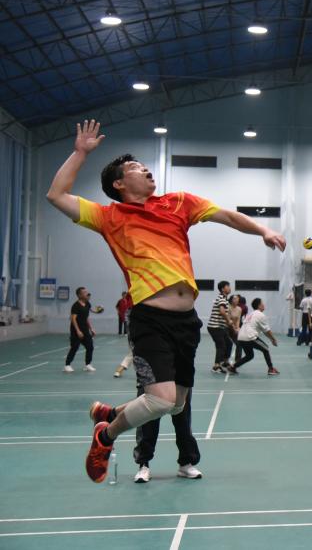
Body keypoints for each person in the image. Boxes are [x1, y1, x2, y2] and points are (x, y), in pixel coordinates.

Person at [46, 119, 285, 482]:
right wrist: (80, 153)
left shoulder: (179, 203)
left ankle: (112, 413)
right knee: (159, 400)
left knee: (176, 404)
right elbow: (57, 195)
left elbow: (226, 215)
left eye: (144, 165)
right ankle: (105, 435)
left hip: (186, 321)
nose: (145, 169)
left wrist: (263, 229)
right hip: (150, 319)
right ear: (119, 184)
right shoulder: (109, 217)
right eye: (134, 167)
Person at [133, 383, 202, 482]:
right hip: (153, 378)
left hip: (179, 378)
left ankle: (186, 463)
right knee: (148, 421)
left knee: (183, 420)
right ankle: (143, 464)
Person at [229, 298, 279, 375]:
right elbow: (267, 330)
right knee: (266, 349)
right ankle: (271, 369)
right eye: (262, 303)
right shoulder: (261, 315)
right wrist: (273, 339)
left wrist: (271, 339)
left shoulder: (251, 314)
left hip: (241, 337)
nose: (264, 305)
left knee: (249, 356)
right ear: (259, 305)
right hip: (250, 337)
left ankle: (233, 367)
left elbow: (264, 331)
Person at [64, 286, 97, 373]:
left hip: (85, 329)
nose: (87, 293)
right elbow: (73, 319)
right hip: (76, 330)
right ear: (79, 295)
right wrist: (78, 331)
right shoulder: (75, 306)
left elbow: (86, 317)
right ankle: (67, 365)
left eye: (86, 292)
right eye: (84, 292)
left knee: (90, 346)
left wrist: (91, 328)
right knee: (74, 347)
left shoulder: (87, 304)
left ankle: (88, 364)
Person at [207, 281, 233, 373]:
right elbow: (222, 311)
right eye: (227, 286)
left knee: (229, 343)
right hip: (214, 326)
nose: (229, 288)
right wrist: (228, 321)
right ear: (222, 289)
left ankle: (224, 362)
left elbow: (225, 312)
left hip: (220, 327)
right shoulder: (221, 298)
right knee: (221, 345)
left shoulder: (225, 299)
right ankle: (216, 366)